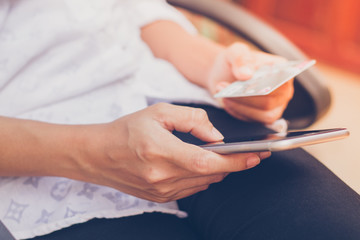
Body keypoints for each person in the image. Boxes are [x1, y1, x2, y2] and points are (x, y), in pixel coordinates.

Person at [0, 0, 359, 239]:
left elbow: (132, 11)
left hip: (176, 102)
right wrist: (91, 153)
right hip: (39, 151)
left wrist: (219, 69)